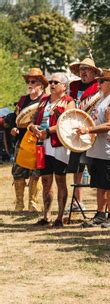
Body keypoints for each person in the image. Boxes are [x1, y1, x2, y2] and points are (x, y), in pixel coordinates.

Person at [77, 70, 110, 228]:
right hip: (97, 149)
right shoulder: (103, 99)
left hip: (108, 150)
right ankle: (100, 214)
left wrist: (88, 131)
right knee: (99, 184)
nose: (99, 84)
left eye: (102, 81)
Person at [30, 73, 75, 228]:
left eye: (56, 82)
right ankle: (46, 215)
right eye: (51, 82)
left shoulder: (69, 102)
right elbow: (33, 119)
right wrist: (32, 127)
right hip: (42, 145)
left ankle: (60, 217)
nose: (52, 84)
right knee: (45, 181)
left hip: (59, 145)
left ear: (64, 86)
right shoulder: (44, 100)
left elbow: (67, 123)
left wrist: (48, 131)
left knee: (60, 180)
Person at [10, 68, 47, 211]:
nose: (30, 84)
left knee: (36, 173)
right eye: (28, 81)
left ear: (41, 84)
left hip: (39, 141)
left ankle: (33, 203)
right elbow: (15, 118)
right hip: (22, 140)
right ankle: (19, 203)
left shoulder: (45, 101)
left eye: (33, 81)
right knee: (18, 172)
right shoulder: (23, 100)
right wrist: (14, 128)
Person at [68, 57, 102, 211]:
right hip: (75, 130)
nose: (83, 72)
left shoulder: (99, 89)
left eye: (86, 69)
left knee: (95, 168)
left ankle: (101, 206)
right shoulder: (73, 87)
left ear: (94, 72)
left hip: (92, 131)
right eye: (81, 69)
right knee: (77, 168)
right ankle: (77, 201)